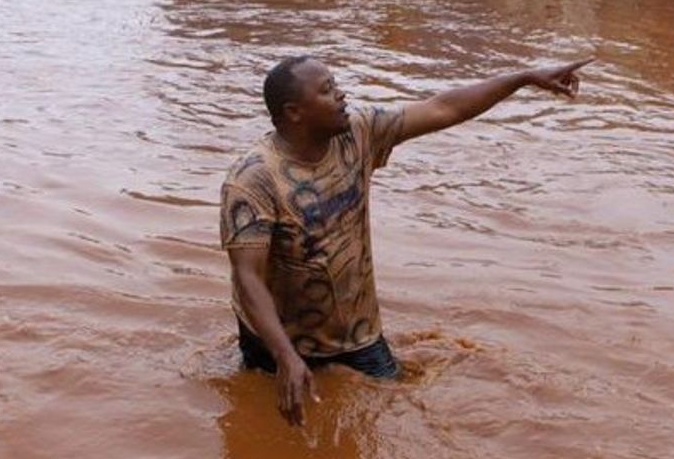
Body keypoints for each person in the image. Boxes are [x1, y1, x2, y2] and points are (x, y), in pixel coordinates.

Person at [222, 56, 593, 426]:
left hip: (356, 334)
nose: (342, 95)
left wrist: (524, 77)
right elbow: (247, 277)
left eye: (336, 85)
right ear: (294, 112)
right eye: (327, 90)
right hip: (274, 342)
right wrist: (286, 357)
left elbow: (444, 108)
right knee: (260, 424)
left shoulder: (358, 133)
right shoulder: (254, 179)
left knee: (387, 418)